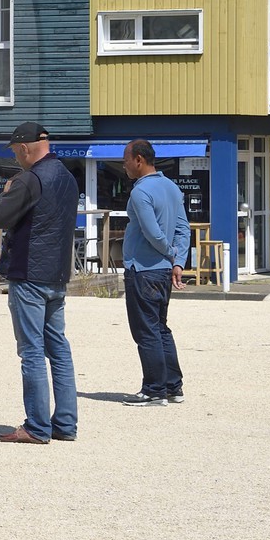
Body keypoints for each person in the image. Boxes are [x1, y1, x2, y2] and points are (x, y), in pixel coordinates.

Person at [0, 121, 78, 444]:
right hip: (57, 274)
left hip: (29, 273)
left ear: (25, 148)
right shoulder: (68, 177)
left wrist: (6, 191)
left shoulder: (29, 179)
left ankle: (37, 427)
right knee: (59, 349)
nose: (15, 159)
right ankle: (65, 424)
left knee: (32, 352)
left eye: (15, 152)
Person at [120, 140, 190, 406]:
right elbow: (183, 228)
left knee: (146, 331)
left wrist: (170, 253)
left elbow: (152, 233)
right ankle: (173, 387)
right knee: (160, 328)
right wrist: (178, 262)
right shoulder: (172, 187)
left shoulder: (141, 192)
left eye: (126, 159)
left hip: (143, 269)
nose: (123, 164)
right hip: (162, 272)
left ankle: (154, 390)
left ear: (139, 159)